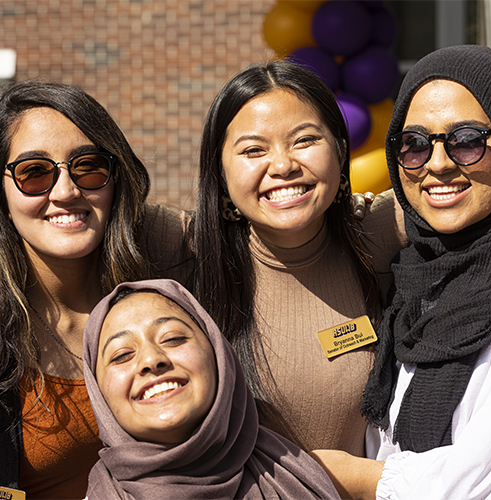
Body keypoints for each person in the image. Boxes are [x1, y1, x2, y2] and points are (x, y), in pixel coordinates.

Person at [312, 44, 491, 500]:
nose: (437, 163)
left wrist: (357, 478)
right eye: (414, 144)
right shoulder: (409, 277)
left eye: (468, 140)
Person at [192, 59, 407, 454]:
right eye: (253, 150)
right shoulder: (190, 253)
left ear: (341, 151)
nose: (284, 165)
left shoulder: (376, 234)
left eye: (305, 140)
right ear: (220, 173)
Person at [0, 81, 192, 498]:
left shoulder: (164, 276)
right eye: (34, 173)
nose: (67, 192)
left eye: (89, 166)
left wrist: (357, 210)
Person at [82, 278, 340, 500]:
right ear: (98, 393)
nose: (151, 360)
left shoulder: (292, 476)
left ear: (218, 356)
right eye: (122, 355)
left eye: (173, 338)